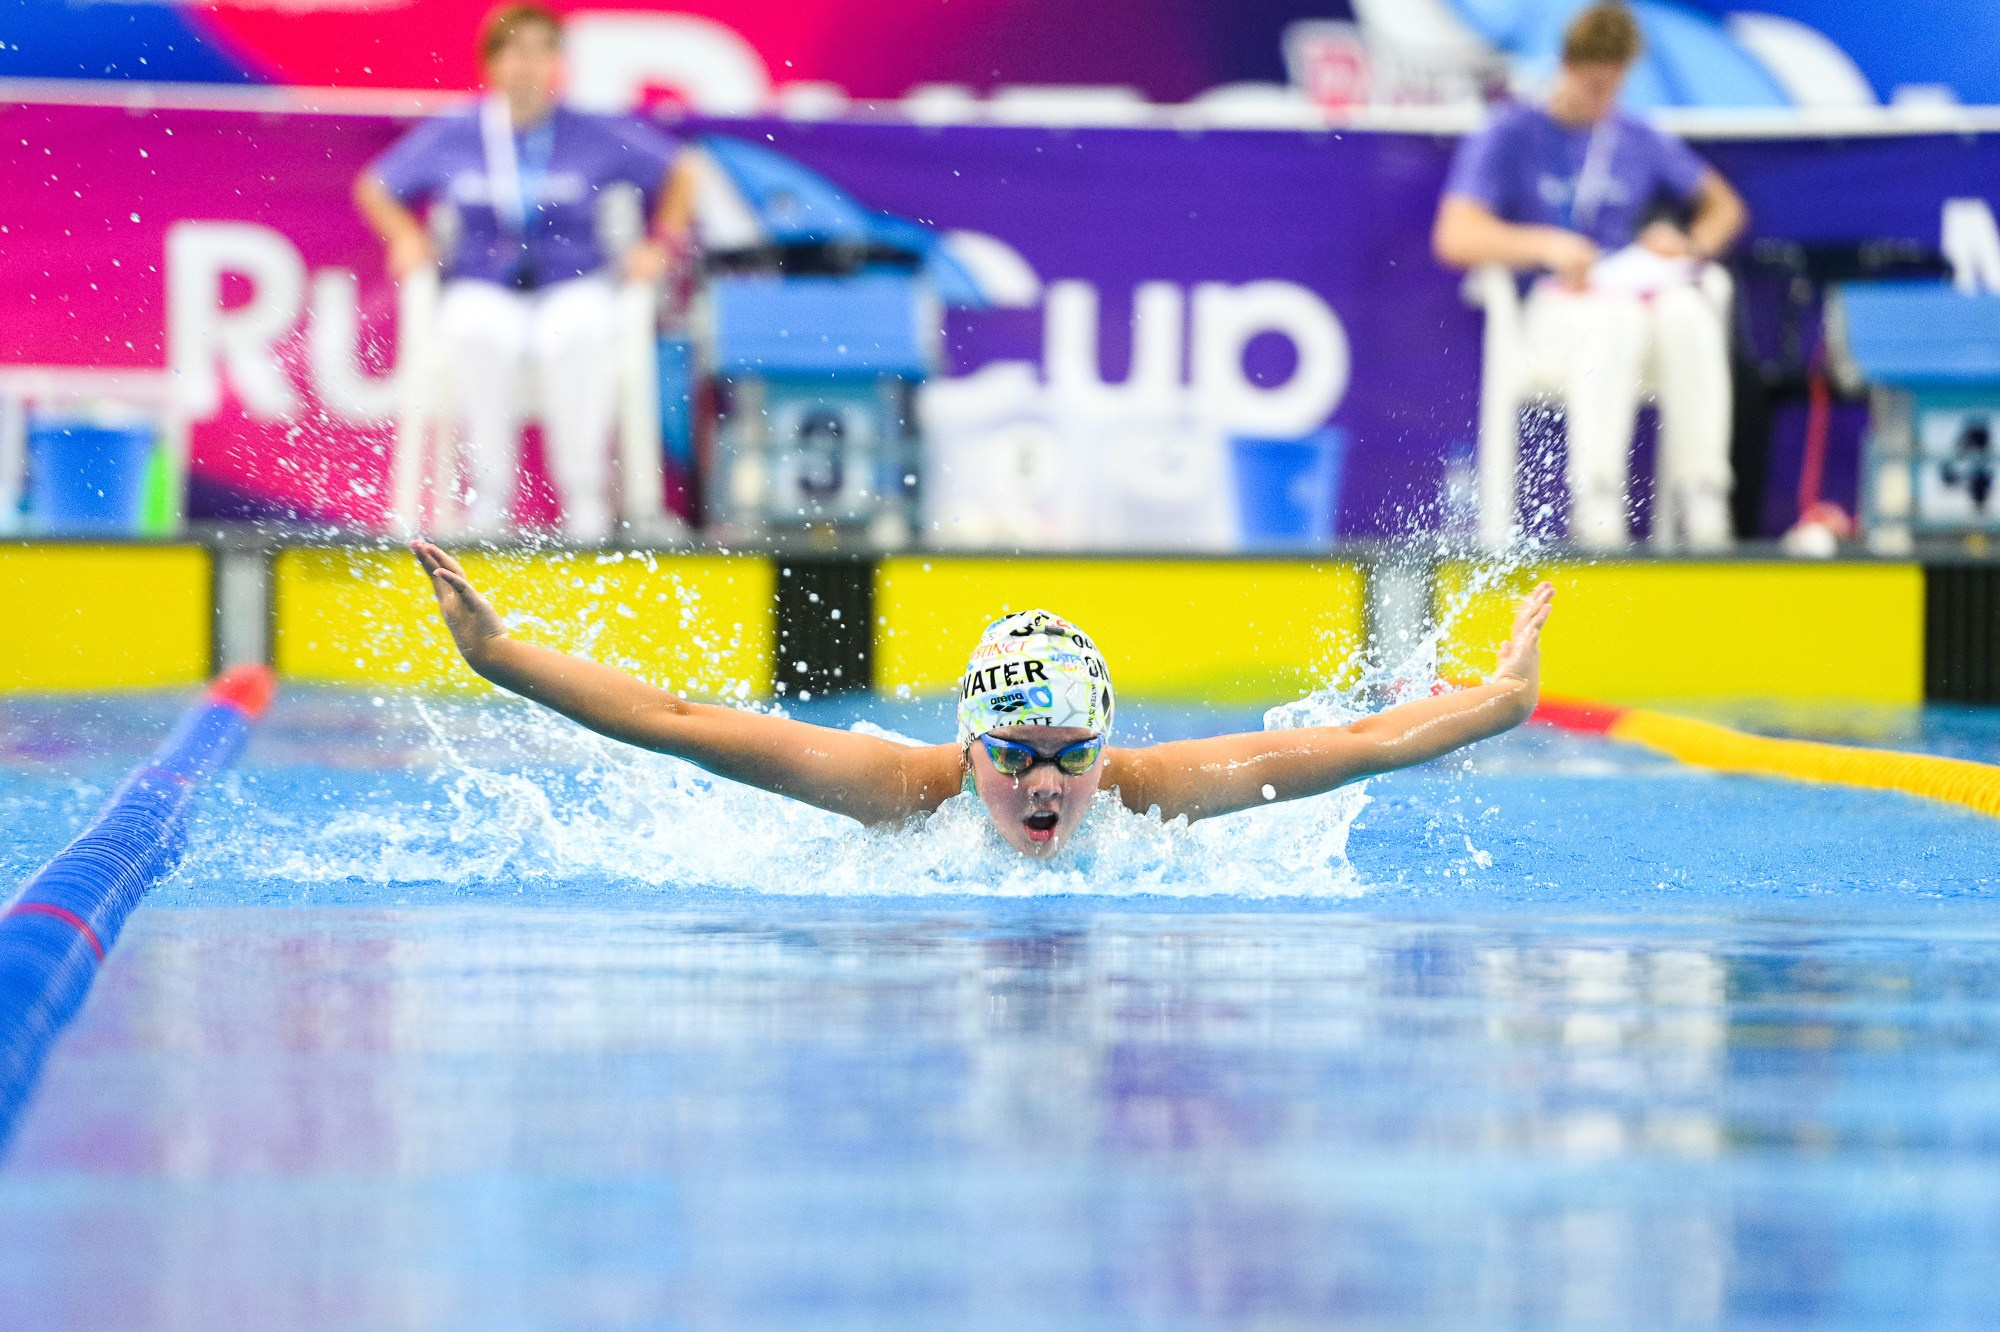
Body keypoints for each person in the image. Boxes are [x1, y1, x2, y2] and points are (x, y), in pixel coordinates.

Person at [411, 541, 1557, 858]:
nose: (1047, 783)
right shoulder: (900, 794)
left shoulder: (1150, 798)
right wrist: (500, 653)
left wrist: (1498, 706)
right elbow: (683, 726)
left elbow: (1351, 744)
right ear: (967, 750)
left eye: (1071, 753)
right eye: (1014, 756)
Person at [355, 3, 696, 542]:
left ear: (559, 64)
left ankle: (585, 501)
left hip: (574, 282)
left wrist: (661, 245)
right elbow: (376, 187)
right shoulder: (458, 131)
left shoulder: (593, 132)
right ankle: (490, 501)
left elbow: (682, 170)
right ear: (490, 64)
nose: (527, 67)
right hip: (484, 284)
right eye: (514, 53)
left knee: (579, 334)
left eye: (541, 53)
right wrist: (405, 235)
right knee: (475, 331)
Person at [1432, 1, 1748, 551]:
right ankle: (1596, 495)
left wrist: (1685, 246)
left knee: (1690, 312)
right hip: (1553, 314)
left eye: (1612, 86)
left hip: (1629, 300)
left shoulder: (1636, 137)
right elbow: (1455, 235)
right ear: (1565, 66)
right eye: (1590, 84)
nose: (1600, 98)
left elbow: (1725, 208)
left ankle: (1704, 492)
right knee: (1615, 318)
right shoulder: (1513, 132)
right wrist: (1543, 245)